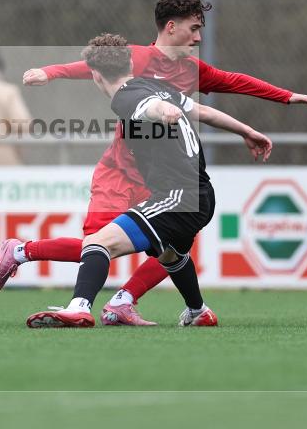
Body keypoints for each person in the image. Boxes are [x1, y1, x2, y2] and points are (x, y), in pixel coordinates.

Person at [0, 0, 307, 326]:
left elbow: (231, 82)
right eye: (193, 28)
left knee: (119, 247)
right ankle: (23, 253)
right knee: (113, 247)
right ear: (172, 27)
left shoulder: (184, 74)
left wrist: (285, 97)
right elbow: (94, 67)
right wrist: (51, 72)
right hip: (123, 170)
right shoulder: (133, 59)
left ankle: (115, 301)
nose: (199, 37)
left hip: (169, 179)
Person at [27, 34, 272, 328]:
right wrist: (247, 131)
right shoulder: (159, 85)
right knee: (171, 254)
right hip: (200, 194)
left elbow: (148, 107)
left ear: (95, 76)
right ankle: (198, 311)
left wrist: (163, 111)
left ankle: (79, 307)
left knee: (98, 242)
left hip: (178, 197)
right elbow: (203, 112)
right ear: (131, 62)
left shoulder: (127, 97)